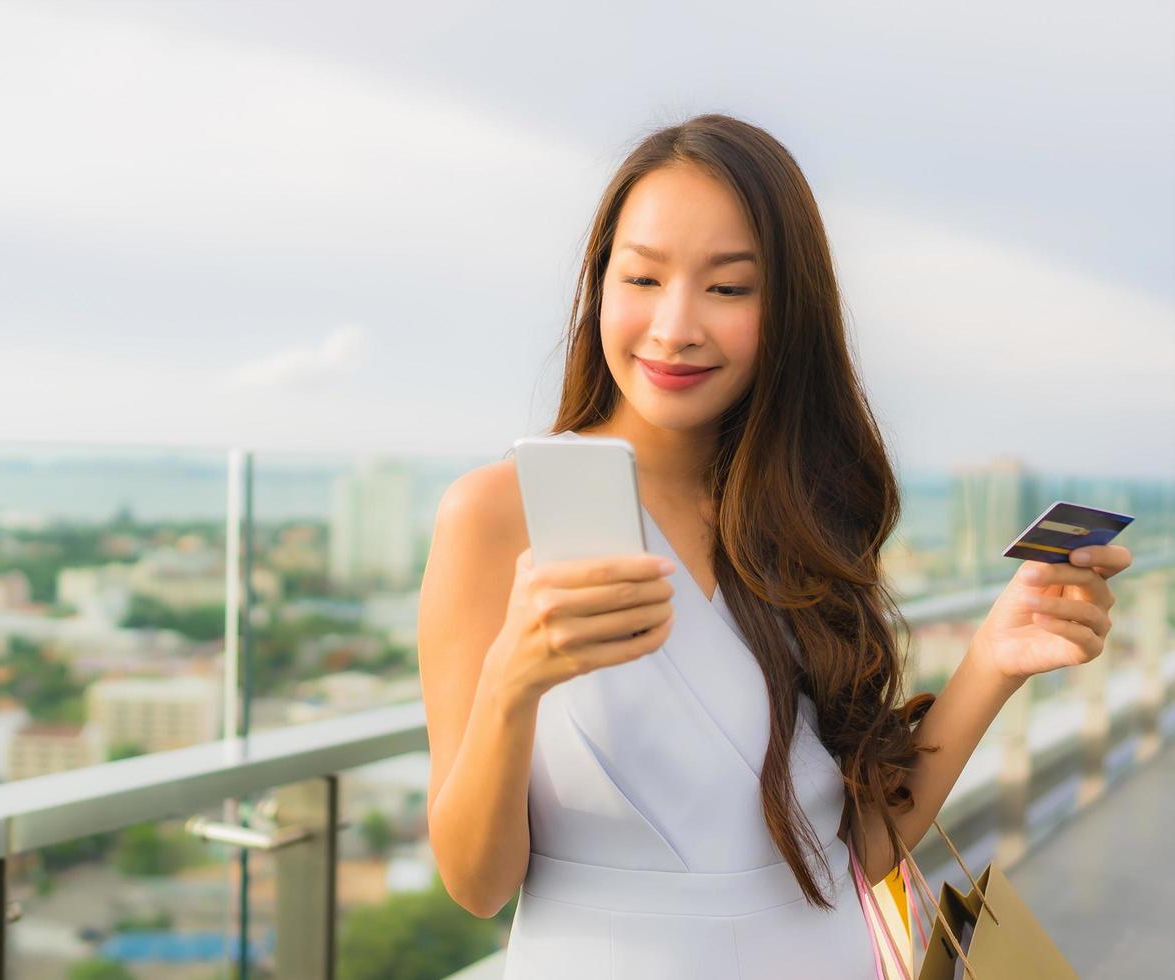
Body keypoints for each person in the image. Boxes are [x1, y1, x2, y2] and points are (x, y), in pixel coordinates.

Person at [416, 113, 1131, 978]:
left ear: (789, 307)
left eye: (729, 288)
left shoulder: (803, 516)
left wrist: (994, 659)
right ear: (599, 284)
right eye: (642, 276)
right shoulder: (497, 515)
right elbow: (474, 883)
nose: (675, 326)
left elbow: (849, 858)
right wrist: (512, 683)